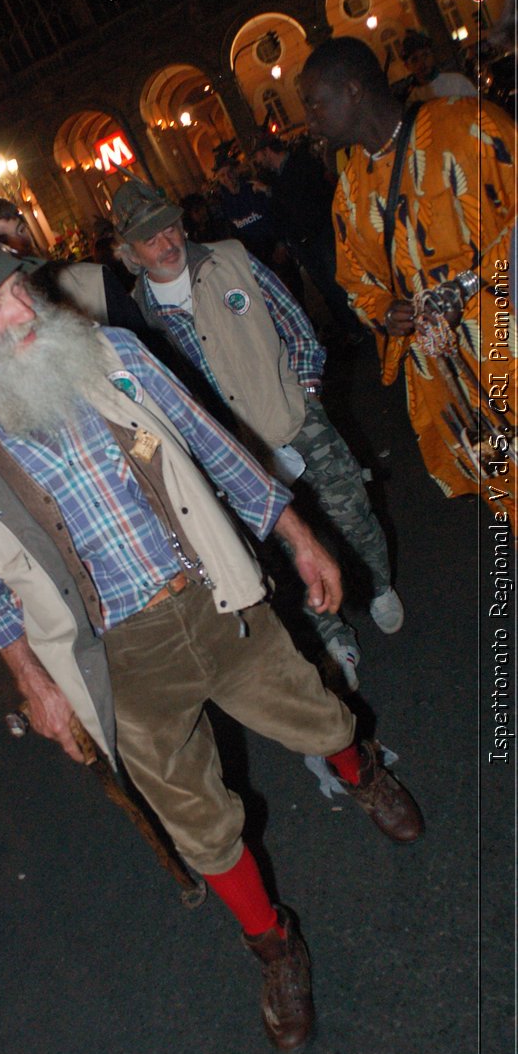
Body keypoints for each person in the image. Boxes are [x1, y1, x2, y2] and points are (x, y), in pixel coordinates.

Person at [0, 229, 423, 1052]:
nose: (18, 311)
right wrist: (32, 682)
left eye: (15, 289)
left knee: (323, 719)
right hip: (120, 661)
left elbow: (212, 443)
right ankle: (273, 947)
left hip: (216, 599)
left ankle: (364, 778)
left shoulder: (108, 353)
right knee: (198, 824)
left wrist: (295, 530)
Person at [112, 177, 403, 691]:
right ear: (130, 252)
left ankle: (378, 584)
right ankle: (334, 635)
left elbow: (296, 328)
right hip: (237, 457)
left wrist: (304, 396)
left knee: (349, 511)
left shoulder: (231, 259)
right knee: (289, 550)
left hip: (294, 419)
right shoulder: (139, 316)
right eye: (150, 237)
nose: (167, 241)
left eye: (170, 226)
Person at [299, 36, 516, 528]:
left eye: (314, 104)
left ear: (352, 90)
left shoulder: (467, 125)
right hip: (446, 376)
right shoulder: (350, 191)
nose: (309, 120)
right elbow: (355, 281)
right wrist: (386, 313)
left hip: (506, 342)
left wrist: (468, 289)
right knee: (500, 477)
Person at [0, 194, 154, 342]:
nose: (18, 244)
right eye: (1, 240)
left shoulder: (92, 281)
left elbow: (146, 346)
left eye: (20, 230)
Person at [250, 134, 364, 343]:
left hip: (320, 234)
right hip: (304, 243)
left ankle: (363, 322)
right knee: (326, 288)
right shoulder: (273, 176)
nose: (256, 161)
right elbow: (280, 212)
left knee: (338, 281)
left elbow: (301, 199)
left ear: (267, 151)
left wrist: (270, 191)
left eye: (257, 155)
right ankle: (351, 327)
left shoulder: (300, 163)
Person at [399, 29, 477, 103]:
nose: (422, 63)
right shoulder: (411, 100)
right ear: (407, 66)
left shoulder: (457, 82)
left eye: (425, 55)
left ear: (432, 55)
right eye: (414, 60)